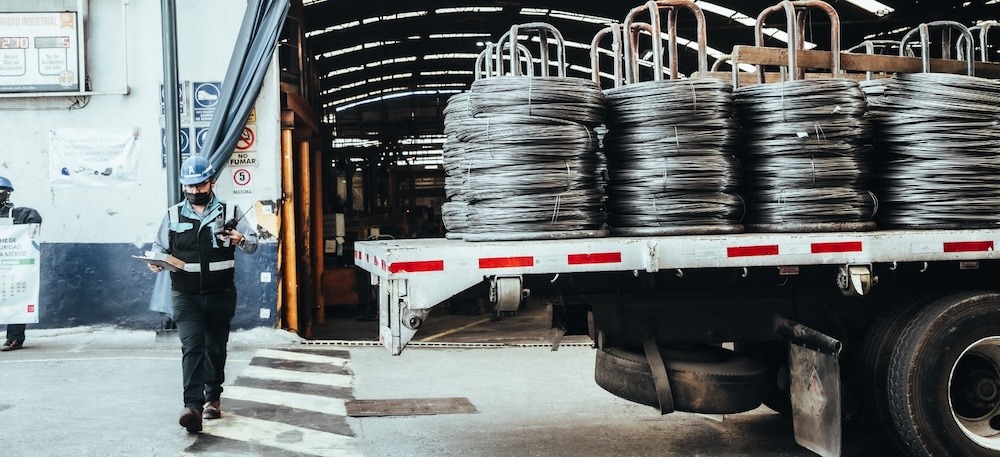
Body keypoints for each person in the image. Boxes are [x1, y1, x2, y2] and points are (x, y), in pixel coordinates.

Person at [147, 156, 258, 433]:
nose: (195, 191)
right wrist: (155, 261)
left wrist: (240, 240)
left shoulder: (230, 210)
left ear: (212, 182)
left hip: (221, 294)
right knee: (193, 347)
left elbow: (254, 243)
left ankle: (213, 398)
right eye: (190, 186)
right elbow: (158, 247)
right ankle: (193, 407)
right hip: (185, 296)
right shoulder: (172, 215)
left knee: (216, 348)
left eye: (200, 185)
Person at [0, 176, 42, 352]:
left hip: (11, 264)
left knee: (14, 298)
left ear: (7, 194)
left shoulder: (17, 215)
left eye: (1, 191)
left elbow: (35, 218)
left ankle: (14, 338)